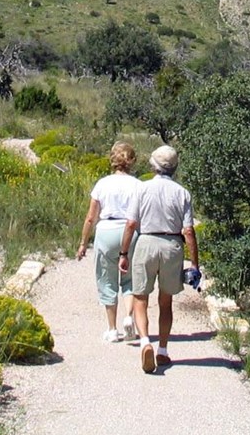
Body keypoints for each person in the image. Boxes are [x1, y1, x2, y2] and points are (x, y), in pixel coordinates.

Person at [120, 145, 199, 373]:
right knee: (166, 302)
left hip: (146, 242)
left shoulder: (142, 189)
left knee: (140, 297)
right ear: (174, 167)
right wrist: (194, 264)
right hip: (172, 246)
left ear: (153, 165)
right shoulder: (182, 193)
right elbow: (189, 231)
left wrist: (124, 253)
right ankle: (162, 350)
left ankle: (145, 342)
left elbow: (131, 223)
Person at [75, 141, 141, 343]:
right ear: (131, 161)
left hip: (106, 231)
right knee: (130, 280)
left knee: (107, 280)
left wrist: (83, 243)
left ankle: (112, 329)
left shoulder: (102, 184)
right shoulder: (138, 185)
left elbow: (90, 217)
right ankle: (129, 317)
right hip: (130, 232)